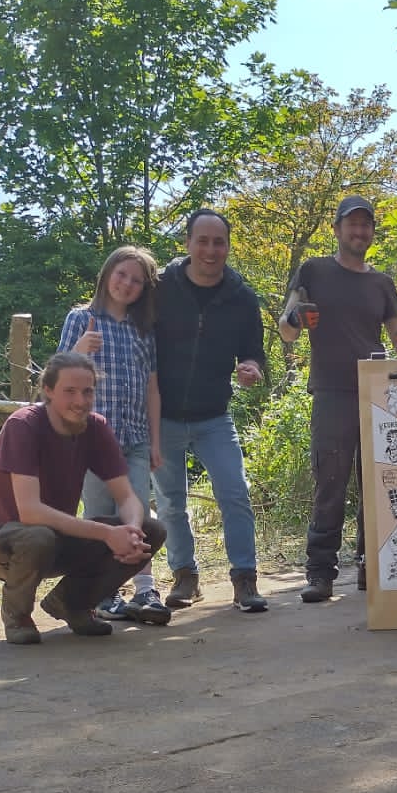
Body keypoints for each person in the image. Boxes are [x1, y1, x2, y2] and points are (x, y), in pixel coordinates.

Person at [0, 352, 167, 645]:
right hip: (5, 544)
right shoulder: (23, 425)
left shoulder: (96, 427)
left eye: (87, 391)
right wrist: (107, 534)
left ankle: (72, 603)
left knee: (151, 529)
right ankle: (17, 616)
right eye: (70, 391)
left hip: (55, 539)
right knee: (38, 536)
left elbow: (127, 496)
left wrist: (130, 531)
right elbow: (30, 512)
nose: (80, 401)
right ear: (48, 391)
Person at [278, 195, 397, 603]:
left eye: (366, 224)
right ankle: (320, 573)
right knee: (330, 482)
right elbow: (286, 328)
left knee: (380, 482)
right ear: (336, 229)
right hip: (331, 391)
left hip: (378, 393)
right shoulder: (313, 271)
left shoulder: (382, 283)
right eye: (352, 224)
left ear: (372, 233)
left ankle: (373, 566)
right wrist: (297, 318)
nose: (359, 231)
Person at [152, 207, 269, 613]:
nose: (210, 250)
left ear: (228, 247)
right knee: (170, 502)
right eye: (202, 241)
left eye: (219, 242)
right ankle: (185, 576)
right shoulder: (159, 287)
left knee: (235, 492)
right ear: (187, 243)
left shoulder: (242, 298)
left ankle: (245, 580)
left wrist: (251, 368)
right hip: (163, 415)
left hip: (214, 416)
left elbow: (254, 352)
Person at [59, 246, 166, 624]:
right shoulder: (81, 319)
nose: (127, 284)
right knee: (100, 516)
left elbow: (152, 388)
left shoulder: (143, 330)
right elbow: (58, 376)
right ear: (106, 274)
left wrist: (155, 441)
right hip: (90, 440)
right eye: (121, 274)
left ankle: (145, 588)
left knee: (138, 513)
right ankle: (104, 593)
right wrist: (79, 350)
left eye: (136, 281)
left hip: (134, 438)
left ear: (144, 289)